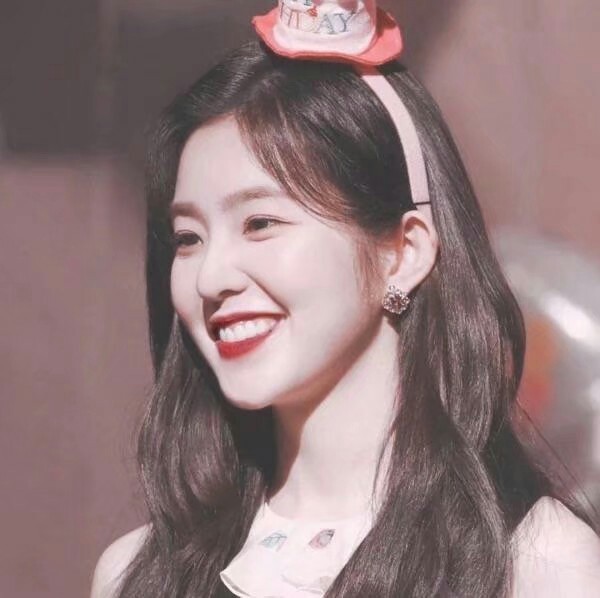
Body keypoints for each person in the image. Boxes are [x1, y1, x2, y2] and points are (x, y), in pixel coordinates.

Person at [90, 2, 600, 596]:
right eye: (188, 238)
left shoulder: (536, 563)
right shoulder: (135, 573)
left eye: (259, 223)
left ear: (403, 251)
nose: (210, 277)